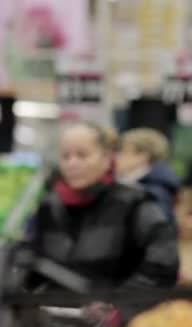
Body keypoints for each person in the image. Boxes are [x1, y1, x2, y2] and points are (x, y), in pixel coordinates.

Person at [24, 123, 179, 316]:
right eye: (66, 156)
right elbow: (30, 264)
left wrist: (117, 304)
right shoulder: (49, 207)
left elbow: (164, 265)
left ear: (106, 158)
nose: (72, 163)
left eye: (82, 155)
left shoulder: (136, 205)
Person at [115, 128, 180, 224]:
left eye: (123, 152)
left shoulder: (153, 192)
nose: (116, 157)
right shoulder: (137, 185)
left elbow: (157, 232)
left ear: (142, 156)